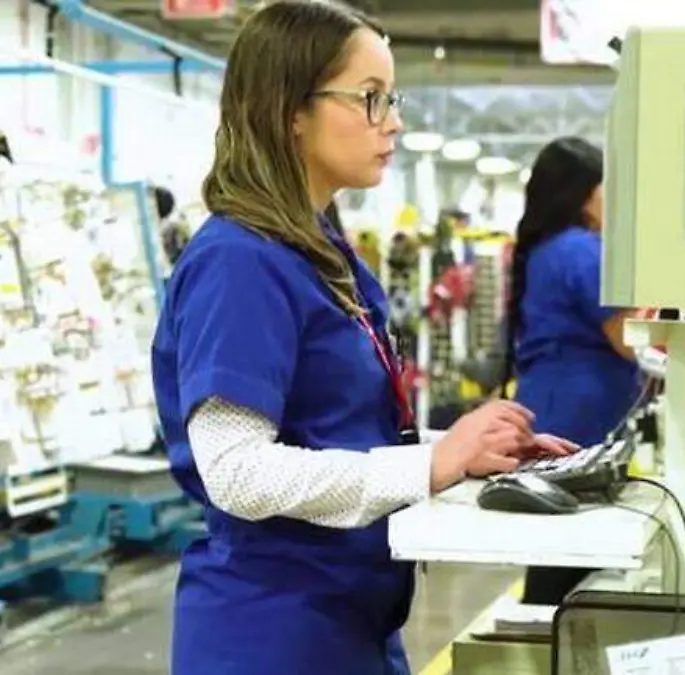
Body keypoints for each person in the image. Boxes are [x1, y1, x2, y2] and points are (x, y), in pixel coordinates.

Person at [151, 4, 575, 673]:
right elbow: (235, 469)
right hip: (273, 631)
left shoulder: (316, 250)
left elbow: (336, 429)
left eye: (391, 98)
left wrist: (464, 449)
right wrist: (428, 466)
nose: (394, 122)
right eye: (370, 99)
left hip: (349, 618)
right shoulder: (239, 260)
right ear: (291, 110)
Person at [501, 137, 641, 605]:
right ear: (584, 193)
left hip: (551, 407)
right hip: (582, 415)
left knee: (554, 551)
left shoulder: (549, 249)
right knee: (576, 553)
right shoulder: (583, 251)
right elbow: (630, 340)